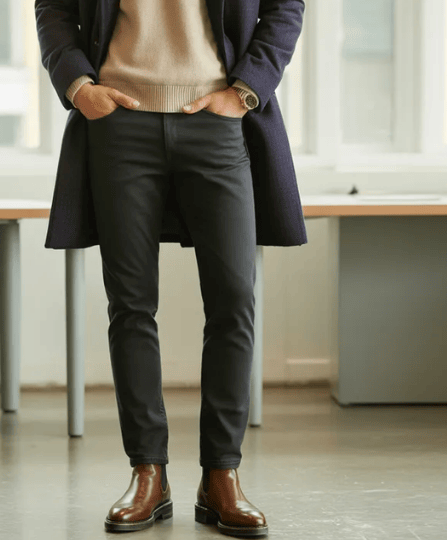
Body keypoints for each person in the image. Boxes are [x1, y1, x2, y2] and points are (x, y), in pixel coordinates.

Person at [35, 0, 306, 536]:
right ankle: (147, 474)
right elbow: (53, 7)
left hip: (217, 118)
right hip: (118, 123)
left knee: (234, 301)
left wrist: (246, 89)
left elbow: (285, 6)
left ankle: (221, 477)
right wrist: (78, 86)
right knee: (130, 304)